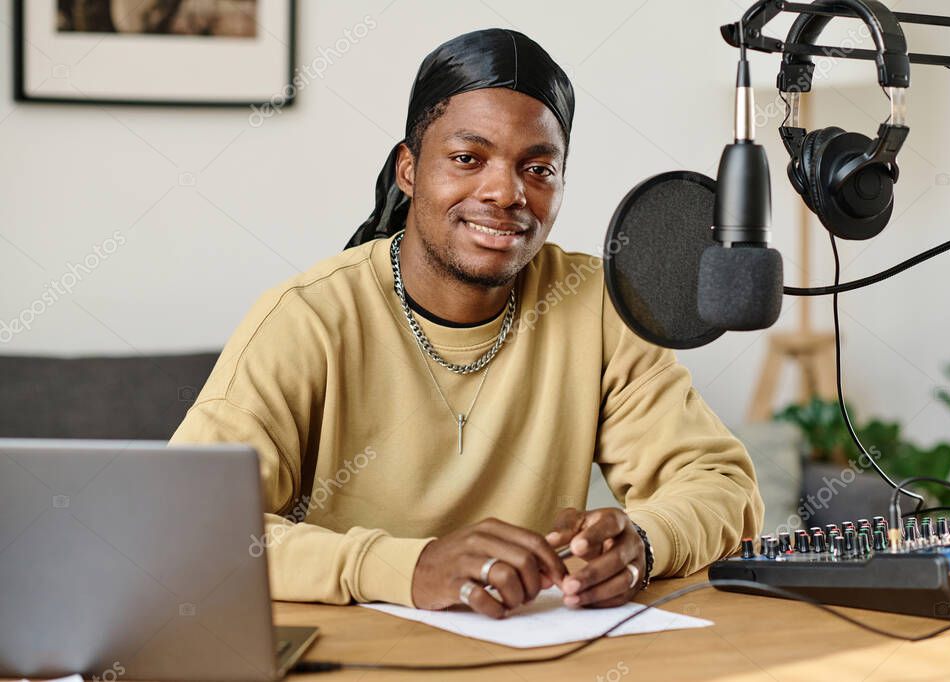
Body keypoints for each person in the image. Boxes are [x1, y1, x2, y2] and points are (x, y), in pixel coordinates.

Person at [170, 28, 763, 619]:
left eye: (538, 168)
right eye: (467, 159)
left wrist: (648, 542)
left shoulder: (600, 307)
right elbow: (188, 528)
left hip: (536, 646)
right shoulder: (307, 318)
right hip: (351, 652)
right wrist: (409, 568)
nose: (506, 193)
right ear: (408, 170)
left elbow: (722, 483)